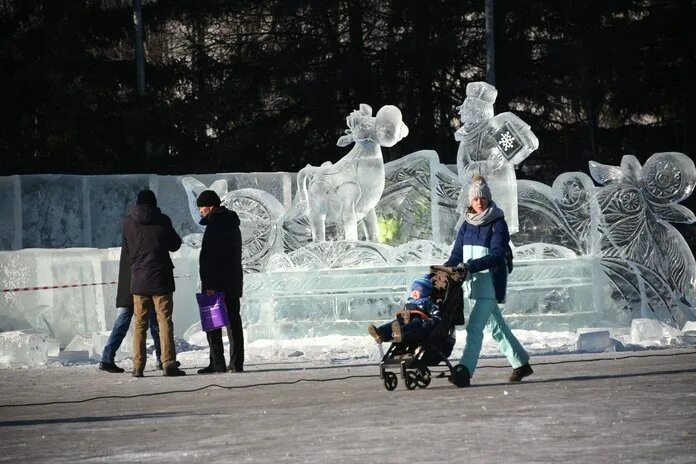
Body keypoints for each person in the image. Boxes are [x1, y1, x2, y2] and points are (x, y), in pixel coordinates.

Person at [444, 175, 533, 387]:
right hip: (473, 285)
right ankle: (521, 363)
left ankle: (464, 371)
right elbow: (457, 254)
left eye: (483, 198)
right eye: (475, 199)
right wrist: (446, 268)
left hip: (490, 284)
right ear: (470, 201)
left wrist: (470, 266)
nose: (479, 202)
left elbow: (496, 254)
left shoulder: (497, 223)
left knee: (474, 327)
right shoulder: (466, 224)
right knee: (496, 326)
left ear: (488, 199)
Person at [123, 189, 185, 377]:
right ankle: (168, 363)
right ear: (154, 203)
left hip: (139, 280)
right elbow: (174, 244)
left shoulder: (128, 223)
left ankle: (138, 366)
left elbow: (127, 250)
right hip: (161, 279)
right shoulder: (163, 220)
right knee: (164, 321)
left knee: (140, 324)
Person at [196, 190, 245, 374]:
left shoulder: (215, 224)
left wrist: (209, 284)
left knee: (213, 324)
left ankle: (217, 362)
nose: (200, 210)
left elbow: (210, 257)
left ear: (210, 206)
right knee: (234, 322)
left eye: (201, 206)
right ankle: (236, 363)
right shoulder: (232, 223)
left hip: (215, 282)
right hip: (232, 280)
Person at [98, 241, 162, 373]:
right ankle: (161, 359)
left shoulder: (129, 234)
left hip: (126, 287)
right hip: (141, 287)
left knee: (121, 325)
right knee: (154, 323)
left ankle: (107, 358)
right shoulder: (141, 238)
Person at [367, 275, 441, 345]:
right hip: (405, 319)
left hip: (420, 323)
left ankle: (401, 332)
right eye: (413, 290)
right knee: (396, 322)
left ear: (425, 292)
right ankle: (381, 333)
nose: (414, 292)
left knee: (415, 323)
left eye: (419, 290)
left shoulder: (427, 302)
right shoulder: (409, 302)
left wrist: (432, 321)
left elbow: (437, 314)